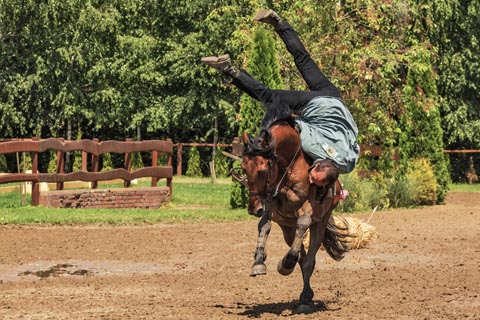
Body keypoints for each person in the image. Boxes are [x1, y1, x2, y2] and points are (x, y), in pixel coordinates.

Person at [202, 9, 359, 187]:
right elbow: (298, 127)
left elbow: (353, 137)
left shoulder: (349, 161)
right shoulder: (313, 148)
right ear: (320, 165)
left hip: (335, 98)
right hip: (319, 106)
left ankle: (278, 22)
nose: (310, 180)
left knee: (304, 60)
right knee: (269, 96)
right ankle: (229, 70)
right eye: (314, 177)